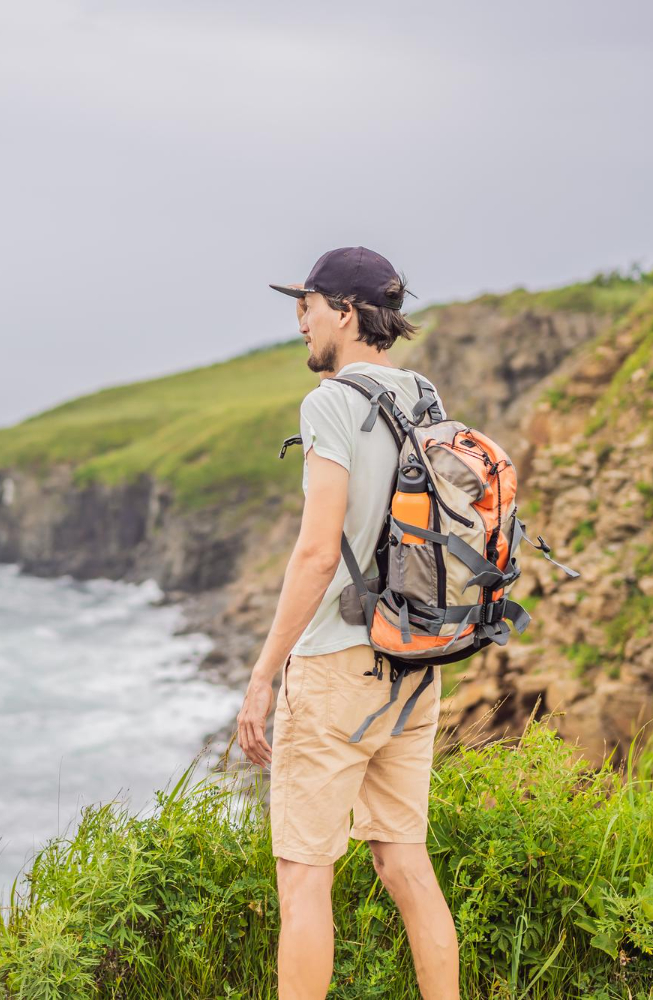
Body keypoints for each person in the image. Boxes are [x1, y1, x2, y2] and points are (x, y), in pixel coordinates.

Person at [236, 246, 459, 999]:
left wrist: (263, 676)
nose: (300, 321)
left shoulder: (330, 402)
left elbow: (315, 552)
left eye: (309, 305)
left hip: (337, 666)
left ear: (348, 312)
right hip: (414, 658)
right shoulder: (423, 397)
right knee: (405, 862)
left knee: (303, 879)